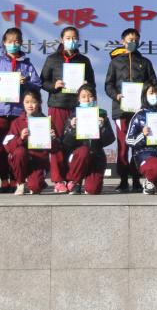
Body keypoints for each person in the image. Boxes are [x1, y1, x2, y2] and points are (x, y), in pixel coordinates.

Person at [0, 27, 41, 192]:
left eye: (16, 41)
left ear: (21, 43)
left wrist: (26, 83)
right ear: (4, 43)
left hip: (18, 112)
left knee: (18, 146)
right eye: (10, 41)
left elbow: (37, 85)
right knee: (0, 147)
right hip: (0, 111)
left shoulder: (27, 65)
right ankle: (4, 179)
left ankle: (17, 179)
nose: (13, 44)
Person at [40, 26, 96, 193]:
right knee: (56, 142)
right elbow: (42, 81)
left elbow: (92, 85)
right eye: (68, 38)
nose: (71, 41)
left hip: (78, 108)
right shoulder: (52, 59)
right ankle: (58, 180)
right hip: (57, 105)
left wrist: (86, 85)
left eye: (74, 38)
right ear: (61, 40)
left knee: (78, 143)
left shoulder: (84, 60)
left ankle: (73, 179)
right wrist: (54, 85)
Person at [104, 27, 157, 193]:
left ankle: (136, 179)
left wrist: (146, 98)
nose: (133, 42)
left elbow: (153, 83)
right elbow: (108, 85)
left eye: (136, 40)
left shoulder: (145, 62)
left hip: (139, 110)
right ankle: (122, 180)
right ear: (123, 41)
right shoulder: (115, 62)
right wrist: (116, 95)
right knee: (123, 146)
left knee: (139, 145)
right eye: (130, 40)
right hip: (121, 111)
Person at [61, 84, 116, 195]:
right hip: (79, 157)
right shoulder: (73, 117)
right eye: (83, 96)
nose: (87, 99)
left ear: (95, 98)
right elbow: (66, 143)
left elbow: (110, 139)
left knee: (93, 189)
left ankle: (90, 182)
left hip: (96, 157)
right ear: (78, 99)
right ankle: (75, 182)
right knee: (83, 151)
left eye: (90, 96)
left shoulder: (102, 115)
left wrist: (102, 127)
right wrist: (72, 128)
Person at [5, 89, 57, 195]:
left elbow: (56, 149)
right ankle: (20, 183)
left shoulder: (46, 122)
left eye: (33, 102)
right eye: (27, 102)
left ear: (39, 103)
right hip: (22, 160)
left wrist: (53, 139)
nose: (30, 105)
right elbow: (7, 145)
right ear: (23, 103)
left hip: (39, 161)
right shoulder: (17, 122)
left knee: (35, 187)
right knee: (19, 152)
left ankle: (38, 181)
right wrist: (20, 138)